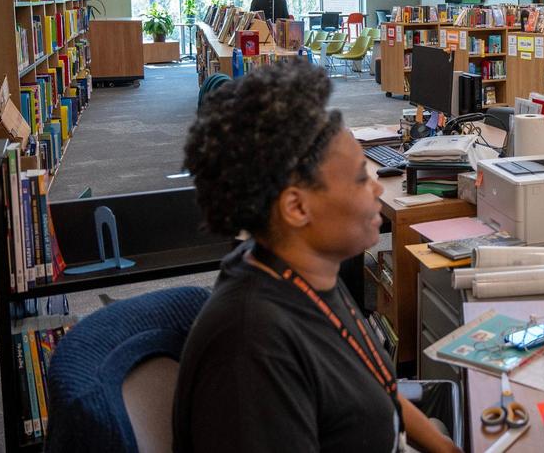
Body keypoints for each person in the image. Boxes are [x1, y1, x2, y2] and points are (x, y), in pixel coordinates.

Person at [174, 60, 460, 453]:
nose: (377, 189)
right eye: (361, 177)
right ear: (296, 208)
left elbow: (379, 383)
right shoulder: (251, 350)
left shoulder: (313, 273)